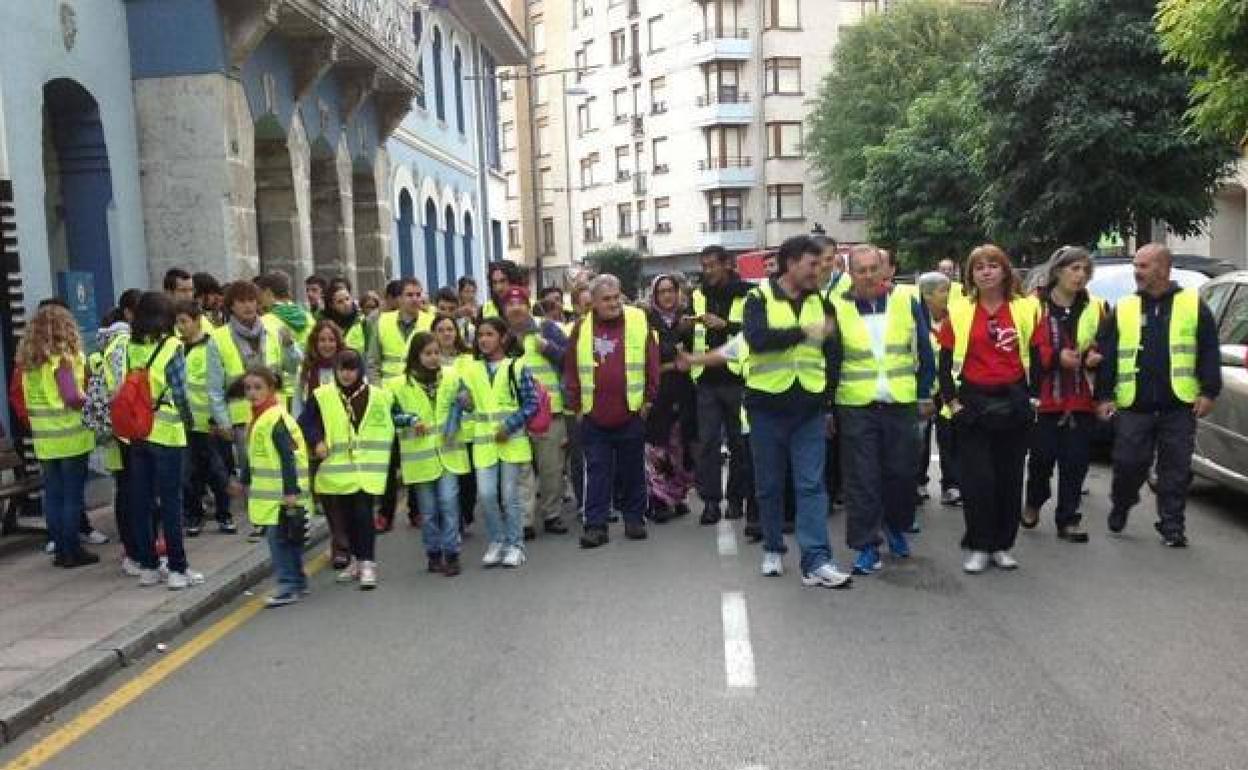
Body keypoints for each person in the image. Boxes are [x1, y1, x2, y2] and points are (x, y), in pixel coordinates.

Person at [742, 235, 853, 588]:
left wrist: (828, 402)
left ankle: (816, 560)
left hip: (809, 409)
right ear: (791, 264)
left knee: (811, 485)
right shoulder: (757, 298)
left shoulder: (822, 303)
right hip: (766, 408)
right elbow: (757, 339)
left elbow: (833, 355)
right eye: (812, 264)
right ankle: (773, 548)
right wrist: (804, 331)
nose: (818, 270)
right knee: (770, 485)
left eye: (822, 264)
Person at [1094, 243, 1221, 547]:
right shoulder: (1124, 308)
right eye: (1136, 266)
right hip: (1134, 405)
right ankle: (1122, 503)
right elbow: (1107, 355)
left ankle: (1172, 525)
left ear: (1164, 268)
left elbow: (1208, 350)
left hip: (1178, 405)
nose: (1137, 272)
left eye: (1144, 266)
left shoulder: (1192, 304)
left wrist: (1209, 391)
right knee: (1128, 463)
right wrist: (1103, 396)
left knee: (1175, 470)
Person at [830, 245, 934, 575]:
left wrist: (924, 393)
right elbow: (829, 361)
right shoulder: (835, 307)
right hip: (856, 404)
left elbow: (925, 350)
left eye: (874, 268)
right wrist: (827, 408)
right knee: (862, 480)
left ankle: (896, 526)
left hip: (900, 402)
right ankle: (866, 545)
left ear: (884, 269)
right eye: (860, 270)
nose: (868, 275)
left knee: (902, 474)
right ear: (850, 273)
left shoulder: (906, 301)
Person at [937, 245, 1040, 574]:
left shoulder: (1026, 308)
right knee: (978, 480)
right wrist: (952, 403)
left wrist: (1033, 397)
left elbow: (1037, 357)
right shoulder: (960, 311)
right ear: (971, 275)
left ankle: (1002, 545)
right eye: (978, 267)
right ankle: (979, 545)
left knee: (1009, 479)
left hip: (1014, 402)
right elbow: (945, 362)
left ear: (1005, 270)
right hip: (973, 403)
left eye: (992, 265)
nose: (985, 272)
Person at [565, 274, 660, 548]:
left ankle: (634, 520)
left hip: (631, 412)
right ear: (593, 302)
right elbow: (571, 369)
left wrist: (648, 401)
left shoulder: (638, 320)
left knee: (633, 470)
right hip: (594, 415)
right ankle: (595, 526)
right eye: (606, 299)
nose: (614, 303)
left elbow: (651, 362)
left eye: (616, 297)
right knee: (597, 472)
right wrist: (577, 407)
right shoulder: (581, 328)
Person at [1020, 247, 1106, 543]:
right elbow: (1025, 349)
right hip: (1044, 398)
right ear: (1058, 271)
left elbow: (1103, 343)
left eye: (1085, 270)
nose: (1080, 275)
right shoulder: (1033, 305)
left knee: (1076, 461)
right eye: (1074, 269)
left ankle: (1068, 519)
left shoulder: (1095, 306)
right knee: (1042, 459)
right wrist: (1057, 358)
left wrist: (1095, 356)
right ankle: (1034, 500)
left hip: (1081, 397)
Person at [208, 281, 302, 540]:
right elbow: (214, 387)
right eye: (241, 301)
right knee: (253, 465)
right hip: (242, 416)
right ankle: (261, 519)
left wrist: (290, 346)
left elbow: (295, 366)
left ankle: (286, 510)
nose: (248, 305)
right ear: (231, 306)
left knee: (282, 461)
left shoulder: (274, 328)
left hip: (275, 410)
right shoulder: (218, 338)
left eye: (252, 300)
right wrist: (223, 421)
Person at [300, 350, 394, 589]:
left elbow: (395, 416)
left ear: (360, 370)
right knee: (347, 518)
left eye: (351, 368)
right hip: (338, 470)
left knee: (364, 514)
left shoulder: (377, 395)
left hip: (366, 469)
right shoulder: (323, 395)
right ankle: (355, 560)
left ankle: (368, 563)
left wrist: (411, 420)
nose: (346, 374)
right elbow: (306, 421)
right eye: (342, 368)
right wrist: (316, 440)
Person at [126, 291, 201, 589]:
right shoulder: (172, 346)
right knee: (171, 502)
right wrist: (189, 420)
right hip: (167, 433)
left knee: (142, 501)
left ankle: (147, 566)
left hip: (138, 432)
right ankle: (178, 569)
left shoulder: (131, 347)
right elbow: (180, 392)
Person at [18, 304, 98, 568]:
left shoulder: (28, 363)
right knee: (72, 497)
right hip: (70, 437)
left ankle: (59, 548)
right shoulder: (65, 359)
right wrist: (89, 400)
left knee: (53, 495)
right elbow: (72, 397)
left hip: (44, 440)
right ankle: (71, 550)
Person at [387, 332, 470, 576]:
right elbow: (390, 415)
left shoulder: (453, 377)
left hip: (449, 454)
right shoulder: (398, 385)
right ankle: (433, 552)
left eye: (436, 353)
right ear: (416, 356)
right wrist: (409, 419)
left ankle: (452, 553)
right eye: (427, 354)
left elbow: (467, 403)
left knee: (449, 503)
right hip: (420, 459)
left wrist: (465, 401)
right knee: (429, 510)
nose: (433, 358)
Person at [232, 366, 312, 607]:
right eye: (248, 388)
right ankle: (297, 581)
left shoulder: (275, 419)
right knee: (288, 539)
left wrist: (290, 492)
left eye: (258, 388)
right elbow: (253, 456)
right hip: (272, 495)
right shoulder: (258, 417)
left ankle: (288, 585)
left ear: (271, 389)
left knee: (280, 543)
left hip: (281, 495)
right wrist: (244, 480)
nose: (252, 393)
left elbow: (287, 457)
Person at [462, 318, 538, 567]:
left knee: (509, 496)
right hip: (484, 444)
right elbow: (468, 405)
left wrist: (510, 425)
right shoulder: (472, 370)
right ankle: (497, 540)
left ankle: (515, 544)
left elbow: (532, 403)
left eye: (490, 334)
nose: (483, 339)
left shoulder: (517, 367)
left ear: (503, 337)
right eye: (480, 335)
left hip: (511, 442)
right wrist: (465, 403)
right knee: (485, 495)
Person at [688, 245, 753, 525]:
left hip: (738, 378)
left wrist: (725, 325)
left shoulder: (749, 293)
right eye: (704, 266)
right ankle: (711, 502)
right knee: (708, 444)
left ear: (728, 264)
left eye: (713, 265)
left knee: (740, 443)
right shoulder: (698, 295)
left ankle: (736, 499)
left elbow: (754, 332)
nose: (708, 271)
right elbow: (692, 330)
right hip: (707, 380)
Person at [502, 285, 570, 539]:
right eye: (510, 305)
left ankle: (551, 514)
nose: (516, 308)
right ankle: (525, 520)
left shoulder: (547, 328)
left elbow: (570, 358)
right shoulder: (503, 336)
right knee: (522, 471)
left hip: (549, 410)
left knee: (551, 467)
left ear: (528, 305)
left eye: (520, 303)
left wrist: (549, 349)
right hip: (515, 414)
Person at [368, 277, 434, 531]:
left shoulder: (429, 321)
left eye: (419, 294)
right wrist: (377, 391)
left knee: (416, 454)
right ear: (399, 299)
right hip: (388, 398)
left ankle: (416, 510)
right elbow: (372, 360)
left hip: (417, 396)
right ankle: (385, 512)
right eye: (410, 294)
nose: (415, 299)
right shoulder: (382, 322)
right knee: (389, 458)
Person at [174, 300, 235, 537]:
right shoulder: (176, 349)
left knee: (219, 472)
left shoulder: (211, 347)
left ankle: (224, 515)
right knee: (189, 475)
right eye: (177, 322)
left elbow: (218, 386)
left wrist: (217, 419)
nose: (180, 327)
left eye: (184, 322)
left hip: (209, 424)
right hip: (186, 425)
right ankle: (193, 516)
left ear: (197, 320)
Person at [642, 274, 697, 523]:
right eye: (661, 291)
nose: (667, 296)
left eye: (671, 291)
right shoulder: (647, 322)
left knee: (679, 445)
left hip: (684, 390)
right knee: (657, 447)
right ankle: (658, 500)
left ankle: (677, 496)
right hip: (658, 392)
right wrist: (673, 364)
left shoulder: (686, 320)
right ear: (654, 295)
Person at [916, 271, 961, 508]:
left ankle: (951, 486)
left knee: (949, 437)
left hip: (947, 388)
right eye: (943, 291)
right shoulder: (916, 319)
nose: (948, 296)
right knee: (921, 438)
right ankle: (918, 483)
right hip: (923, 388)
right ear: (927, 294)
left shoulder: (953, 317)